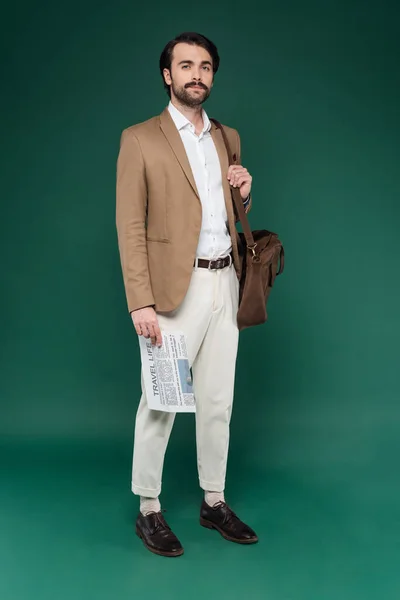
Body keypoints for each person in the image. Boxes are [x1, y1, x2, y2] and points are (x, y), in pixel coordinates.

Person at [116, 31, 258, 557]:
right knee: (162, 401)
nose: (196, 74)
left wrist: (243, 188)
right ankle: (148, 508)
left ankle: (213, 500)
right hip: (172, 292)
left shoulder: (228, 136)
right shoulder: (140, 139)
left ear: (212, 76)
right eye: (185, 65)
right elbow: (130, 224)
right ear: (167, 75)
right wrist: (140, 300)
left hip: (226, 281)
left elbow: (223, 211)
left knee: (218, 399)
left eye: (205, 66)